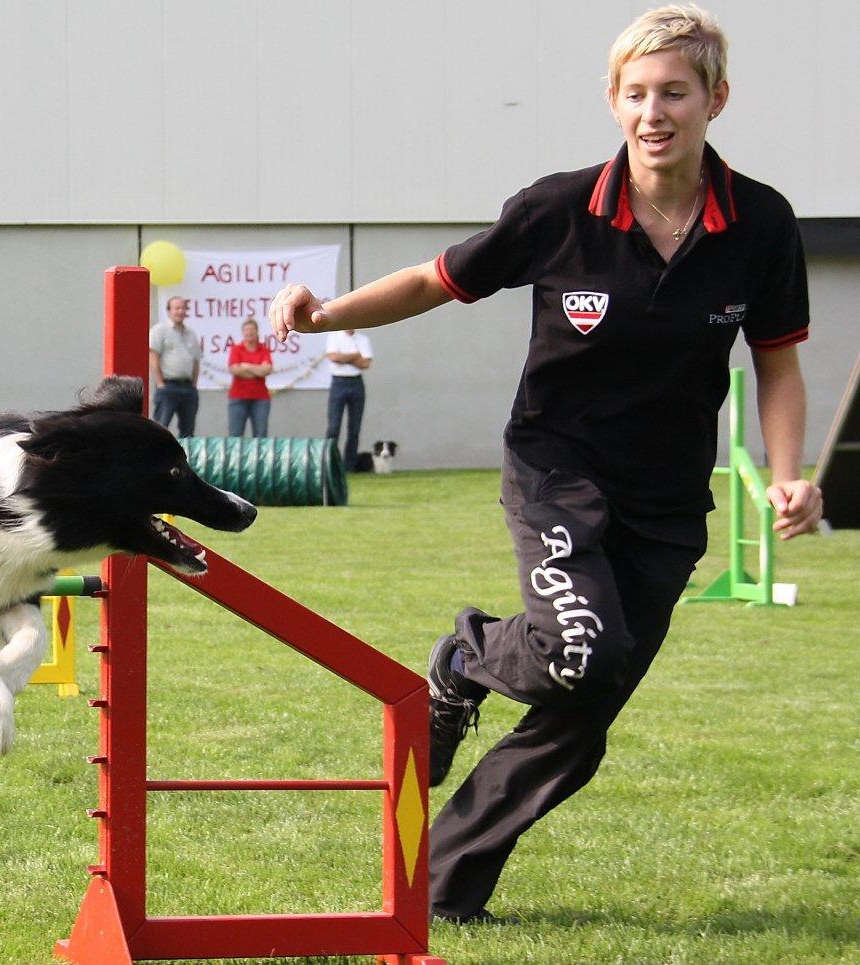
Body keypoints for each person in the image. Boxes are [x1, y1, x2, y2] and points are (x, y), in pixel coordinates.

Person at [268, 4, 821, 925]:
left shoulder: (760, 222)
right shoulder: (560, 208)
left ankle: (441, 888)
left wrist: (791, 473)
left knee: (582, 712)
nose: (654, 113)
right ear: (613, 101)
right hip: (558, 471)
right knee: (581, 649)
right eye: (636, 94)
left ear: (716, 99)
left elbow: (779, 362)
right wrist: (328, 317)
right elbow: (437, 280)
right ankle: (467, 655)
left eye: (675, 93)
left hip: (667, 499)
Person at [149, 296, 203, 437]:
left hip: (188, 388)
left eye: (183, 308)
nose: (180, 311)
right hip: (168, 386)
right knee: (160, 429)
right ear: (169, 311)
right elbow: (153, 356)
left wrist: (194, 385)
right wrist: (160, 383)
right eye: (177, 308)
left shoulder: (191, 334)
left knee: (188, 433)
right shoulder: (159, 330)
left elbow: (196, 360)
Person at [325, 328, 373, 470]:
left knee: (354, 429)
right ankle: (330, 462)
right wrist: (355, 355)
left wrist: (344, 358)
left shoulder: (363, 339)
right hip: (338, 382)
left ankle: (349, 465)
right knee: (333, 427)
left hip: (356, 382)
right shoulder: (334, 336)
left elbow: (365, 363)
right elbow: (334, 358)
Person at [227, 318, 274, 437]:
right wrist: (258, 369)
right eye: (246, 330)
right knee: (235, 435)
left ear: (257, 331)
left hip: (260, 399)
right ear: (242, 332)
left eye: (252, 329)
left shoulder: (264, 350)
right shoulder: (236, 349)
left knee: (260, 436)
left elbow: (267, 370)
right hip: (238, 398)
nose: (249, 332)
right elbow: (235, 370)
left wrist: (246, 366)